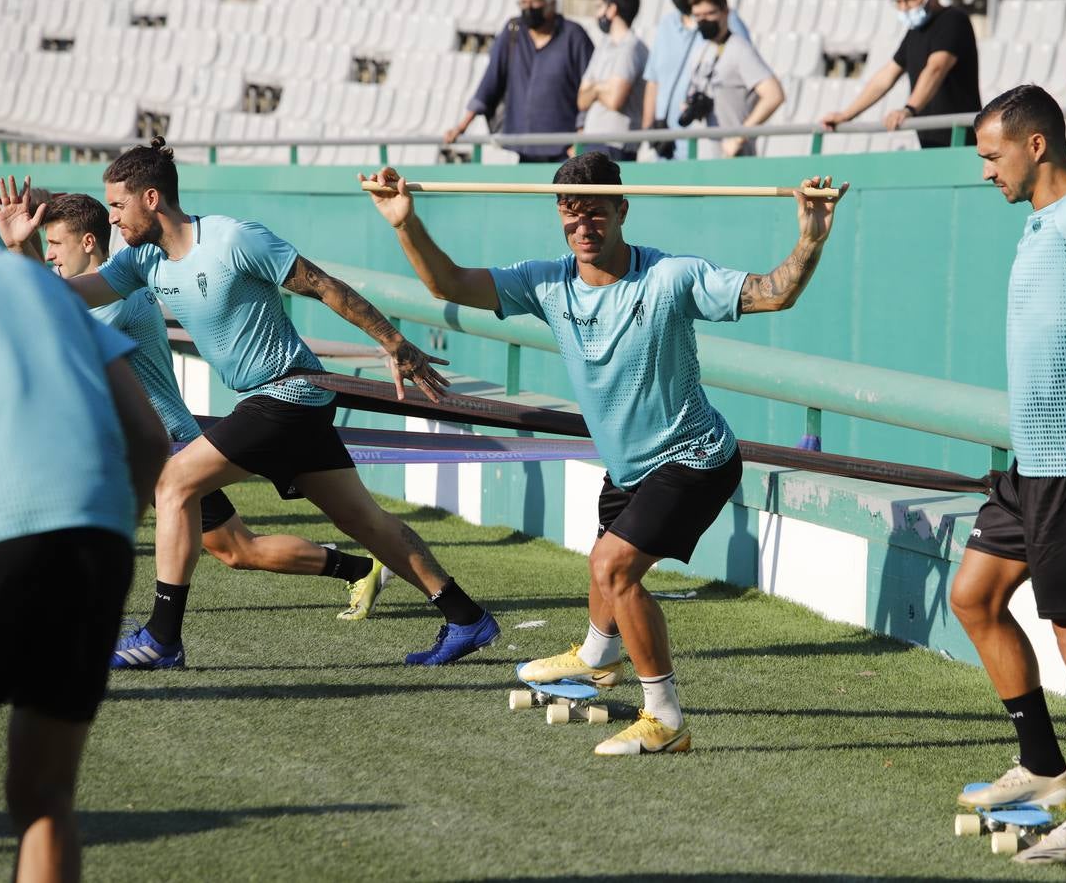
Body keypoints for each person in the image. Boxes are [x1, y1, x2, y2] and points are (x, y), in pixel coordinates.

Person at [361, 153, 847, 754]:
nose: (583, 228)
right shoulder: (546, 281)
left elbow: (774, 295)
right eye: (570, 217)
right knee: (604, 566)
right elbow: (449, 283)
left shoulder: (670, 276)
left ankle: (665, 719)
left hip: (695, 457)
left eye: (595, 213)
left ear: (623, 209)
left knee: (612, 569)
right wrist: (403, 221)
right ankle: (596, 658)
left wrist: (810, 237)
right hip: (627, 468)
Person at [0, 138, 499, 670]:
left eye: (118, 206)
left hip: (288, 393)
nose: (114, 218)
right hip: (276, 402)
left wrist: (392, 341)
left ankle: (162, 639)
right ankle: (467, 617)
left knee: (175, 482)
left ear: (150, 199)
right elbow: (67, 297)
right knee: (367, 523)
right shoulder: (144, 262)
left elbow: (323, 286)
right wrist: (20, 250)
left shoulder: (233, 238)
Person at [949, 37, 1066, 865]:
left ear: (1036, 146)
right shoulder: (1036, 226)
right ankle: (1040, 767)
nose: (985, 170)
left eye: (993, 155)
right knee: (975, 598)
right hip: (1033, 467)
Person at [33, 191, 392, 626]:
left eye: (54, 244)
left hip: (163, 443)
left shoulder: (119, 298)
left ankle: (137, 631)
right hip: (134, 446)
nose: (49, 255)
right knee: (237, 550)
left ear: (88, 242)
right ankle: (360, 568)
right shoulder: (104, 290)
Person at [0, 247, 169, 881]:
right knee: (44, 794)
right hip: (98, 536)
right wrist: (112, 531)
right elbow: (148, 436)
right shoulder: (41, 284)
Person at [444, 0, 594, 163]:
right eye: (523, 3)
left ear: (551, 3)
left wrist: (581, 138)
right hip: (524, 147)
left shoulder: (574, 36)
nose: (528, 8)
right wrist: (461, 126)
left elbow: (591, 88)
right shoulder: (513, 31)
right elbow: (490, 82)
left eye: (535, 2)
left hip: (565, 149)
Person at [819, 0, 979, 149]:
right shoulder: (915, 32)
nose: (904, 8)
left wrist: (909, 109)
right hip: (931, 143)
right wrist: (846, 115)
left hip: (962, 141)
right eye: (898, 1)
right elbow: (886, 77)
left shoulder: (953, 20)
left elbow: (936, 69)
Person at [641, 0, 751, 160]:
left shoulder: (726, 25)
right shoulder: (666, 23)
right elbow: (653, 79)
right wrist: (649, 128)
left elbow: (748, 83)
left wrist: (738, 138)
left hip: (705, 149)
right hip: (664, 148)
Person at [681, 0, 784, 159]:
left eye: (710, 14)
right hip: (707, 155)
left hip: (735, 158)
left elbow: (774, 95)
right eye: (698, 15)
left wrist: (739, 137)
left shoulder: (739, 49)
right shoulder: (701, 51)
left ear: (725, 12)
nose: (703, 20)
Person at [578, 0, 648, 162]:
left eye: (600, 7)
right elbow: (581, 100)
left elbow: (615, 100)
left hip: (617, 144)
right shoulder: (603, 46)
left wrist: (594, 88)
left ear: (612, 9)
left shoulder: (632, 48)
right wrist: (603, 88)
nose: (597, 14)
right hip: (592, 139)